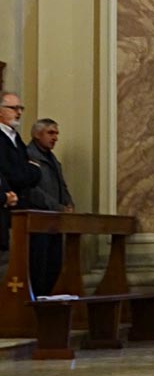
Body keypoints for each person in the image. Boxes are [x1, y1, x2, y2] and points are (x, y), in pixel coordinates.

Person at [24, 118, 74, 296]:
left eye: (57, 134)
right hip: (39, 220)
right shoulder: (28, 156)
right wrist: (58, 207)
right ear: (37, 134)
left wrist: (68, 203)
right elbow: (33, 190)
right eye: (51, 133)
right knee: (39, 266)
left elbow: (61, 185)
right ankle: (37, 301)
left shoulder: (52, 159)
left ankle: (47, 300)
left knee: (54, 265)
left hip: (55, 221)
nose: (55, 138)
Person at [0, 92, 41, 277]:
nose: (19, 112)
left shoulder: (16, 138)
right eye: (13, 108)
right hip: (6, 208)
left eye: (20, 108)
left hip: (20, 209)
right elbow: (12, 174)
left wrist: (31, 171)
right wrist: (31, 170)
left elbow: (32, 174)